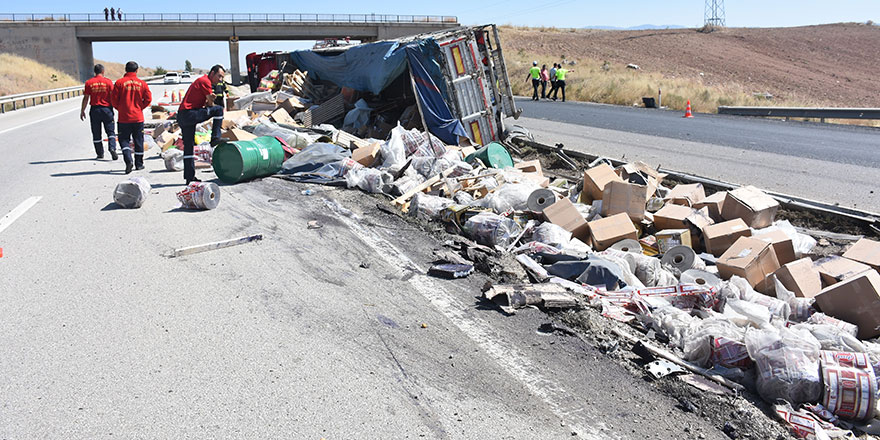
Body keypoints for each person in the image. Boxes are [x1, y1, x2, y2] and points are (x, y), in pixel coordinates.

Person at [178, 65, 226, 184]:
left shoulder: (203, 81)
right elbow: (210, 104)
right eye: (219, 76)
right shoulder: (205, 81)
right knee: (219, 110)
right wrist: (211, 100)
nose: (220, 79)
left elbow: (206, 101)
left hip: (183, 116)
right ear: (212, 73)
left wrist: (209, 101)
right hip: (190, 114)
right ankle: (215, 137)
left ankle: (190, 177)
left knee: (188, 148)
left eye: (222, 77)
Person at [111, 61, 152, 174]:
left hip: (124, 118)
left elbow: (113, 100)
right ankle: (139, 164)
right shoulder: (142, 83)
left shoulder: (119, 83)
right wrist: (139, 108)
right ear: (137, 70)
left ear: (125, 69)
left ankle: (128, 159)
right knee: (139, 140)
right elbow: (148, 99)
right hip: (138, 118)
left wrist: (121, 108)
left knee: (124, 140)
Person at [80, 64, 117, 160]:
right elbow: (113, 97)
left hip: (95, 109)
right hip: (107, 109)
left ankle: (100, 153)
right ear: (103, 71)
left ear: (94, 72)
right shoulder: (108, 82)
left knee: (96, 133)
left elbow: (86, 98)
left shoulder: (89, 83)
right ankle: (112, 148)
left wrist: (82, 110)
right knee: (110, 131)